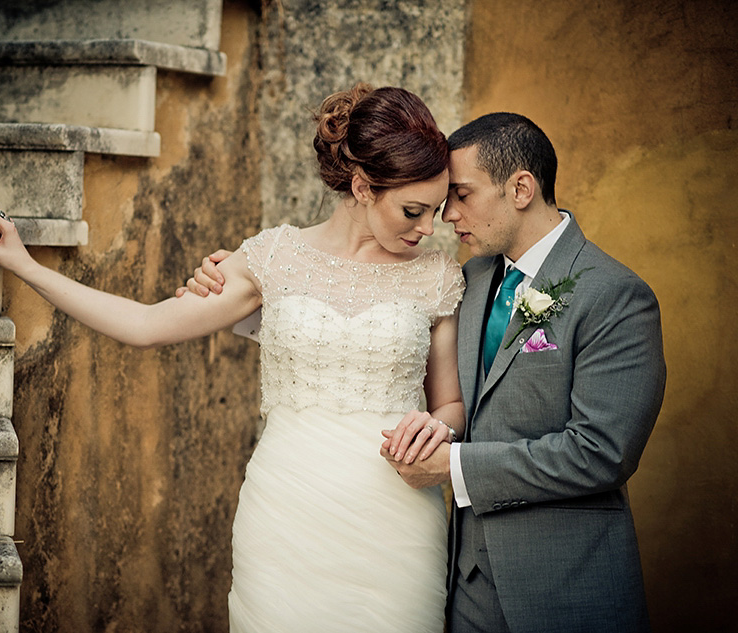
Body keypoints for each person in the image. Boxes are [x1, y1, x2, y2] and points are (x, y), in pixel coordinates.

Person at [0, 83, 467, 633]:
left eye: (436, 211)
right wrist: (29, 267)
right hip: (287, 506)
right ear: (363, 186)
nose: (429, 228)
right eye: (414, 210)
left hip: (396, 514)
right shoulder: (274, 258)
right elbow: (145, 324)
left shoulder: (435, 276)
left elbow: (451, 404)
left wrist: (434, 429)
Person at [187, 113, 666, 633]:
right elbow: (370, 328)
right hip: (463, 581)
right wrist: (228, 285)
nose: (446, 216)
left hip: (562, 581)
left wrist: (452, 467)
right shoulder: (471, 276)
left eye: (461, 195)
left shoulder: (614, 294)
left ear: (521, 188)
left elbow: (603, 453)